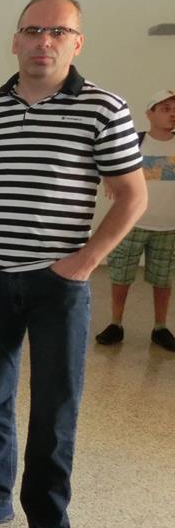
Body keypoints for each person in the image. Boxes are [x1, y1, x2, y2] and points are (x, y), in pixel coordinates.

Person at [0, 0, 147, 528]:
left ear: (77, 42)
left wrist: (85, 262)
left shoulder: (103, 107)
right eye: (33, 30)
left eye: (58, 32)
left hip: (57, 286)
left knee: (55, 412)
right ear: (14, 40)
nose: (44, 41)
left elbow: (132, 195)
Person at [96, 89, 175, 351]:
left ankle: (160, 327)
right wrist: (109, 179)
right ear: (150, 114)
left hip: (168, 227)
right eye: (165, 109)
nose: (172, 114)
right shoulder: (134, 141)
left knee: (163, 280)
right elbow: (111, 164)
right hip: (132, 224)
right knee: (121, 276)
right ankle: (115, 324)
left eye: (174, 109)